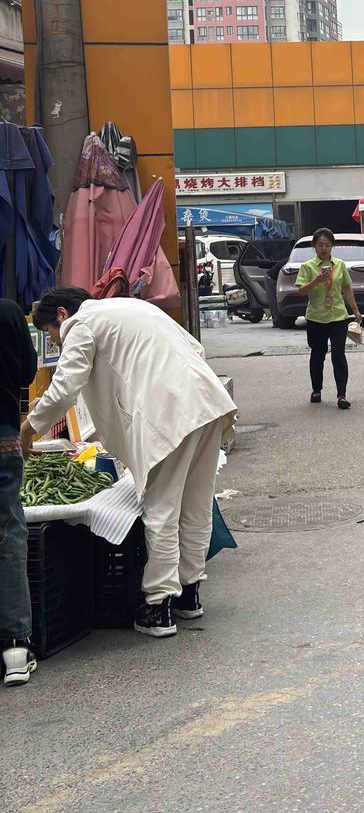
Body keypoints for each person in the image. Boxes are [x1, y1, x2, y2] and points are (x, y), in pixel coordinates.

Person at [22, 289, 236, 640]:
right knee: (194, 506)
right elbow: (194, 349)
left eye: (50, 334)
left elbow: (64, 387)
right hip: (207, 401)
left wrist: (29, 428)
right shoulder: (130, 308)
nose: (56, 342)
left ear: (62, 314)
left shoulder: (81, 323)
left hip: (170, 414)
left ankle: (159, 605)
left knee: (162, 509)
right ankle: (189, 593)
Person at [0, 298, 37, 686]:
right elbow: (27, 373)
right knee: (8, 537)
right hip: (3, 438)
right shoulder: (9, 312)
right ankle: (14, 650)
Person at [295, 229, 360, 409]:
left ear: (332, 246)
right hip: (316, 317)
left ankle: (342, 395)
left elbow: (347, 288)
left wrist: (355, 310)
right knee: (318, 354)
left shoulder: (339, 264)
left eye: (327, 245)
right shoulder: (307, 266)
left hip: (338, 316)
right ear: (314, 246)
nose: (323, 249)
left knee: (338, 355)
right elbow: (301, 291)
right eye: (320, 245)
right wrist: (316, 280)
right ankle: (316, 390)